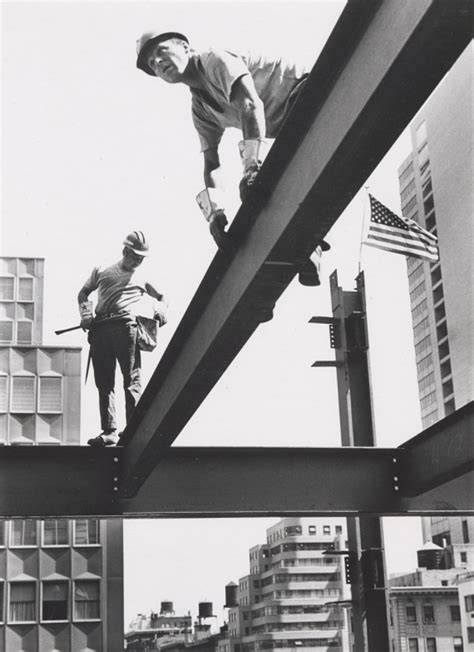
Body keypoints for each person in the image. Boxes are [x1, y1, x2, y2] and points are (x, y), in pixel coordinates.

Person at [135, 31, 329, 285]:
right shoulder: (200, 108)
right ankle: (298, 249)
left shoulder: (214, 61)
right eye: (151, 63)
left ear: (184, 46)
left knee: (262, 181)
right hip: (289, 128)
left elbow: (250, 105)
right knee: (258, 191)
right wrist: (214, 213)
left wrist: (252, 168)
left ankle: (307, 241)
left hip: (310, 91)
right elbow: (212, 165)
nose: (158, 63)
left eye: (160, 52)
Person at [77, 231, 168, 446]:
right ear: (125, 251)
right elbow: (83, 293)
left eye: (141, 258)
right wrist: (86, 315)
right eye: (134, 256)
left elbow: (162, 296)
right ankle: (109, 431)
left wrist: (160, 310)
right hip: (100, 329)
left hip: (126, 328)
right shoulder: (102, 271)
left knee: (131, 380)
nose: (137, 261)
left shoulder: (143, 277)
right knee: (104, 382)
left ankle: (134, 430)